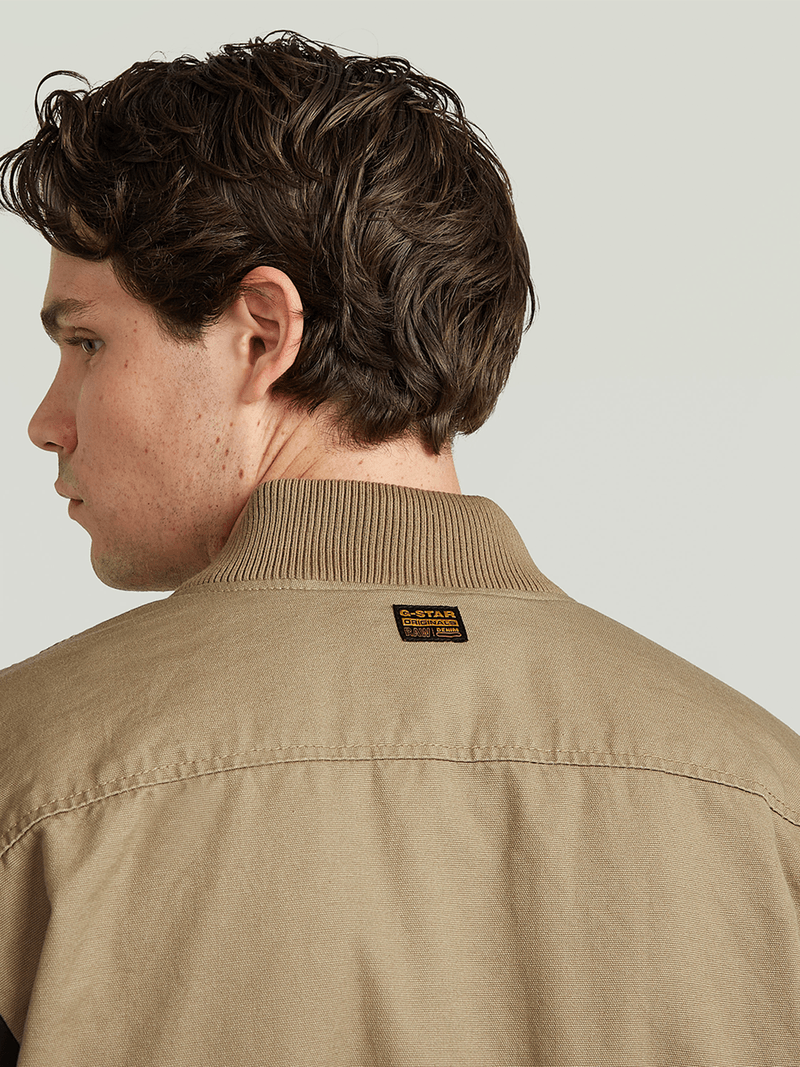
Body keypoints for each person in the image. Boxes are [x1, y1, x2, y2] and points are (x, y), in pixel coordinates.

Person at [0, 30, 798, 1067]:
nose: (47, 421)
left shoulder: (28, 773)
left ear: (261, 332)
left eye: (86, 342)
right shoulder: (765, 795)